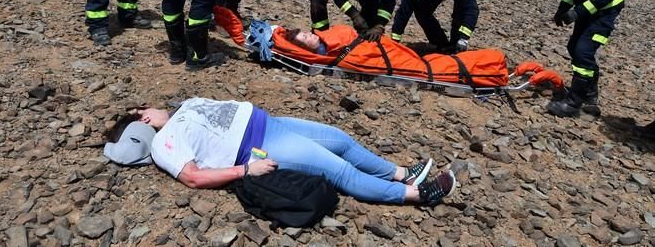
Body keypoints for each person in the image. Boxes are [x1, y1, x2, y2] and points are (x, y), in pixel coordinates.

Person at [103, 97, 456, 206]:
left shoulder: (181, 111)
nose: (151, 108)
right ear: (144, 121)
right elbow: (193, 177)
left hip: (271, 122)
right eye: (144, 111)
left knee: (341, 140)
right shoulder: (165, 143)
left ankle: (398, 172)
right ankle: (416, 194)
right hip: (260, 146)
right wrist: (245, 171)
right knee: (338, 170)